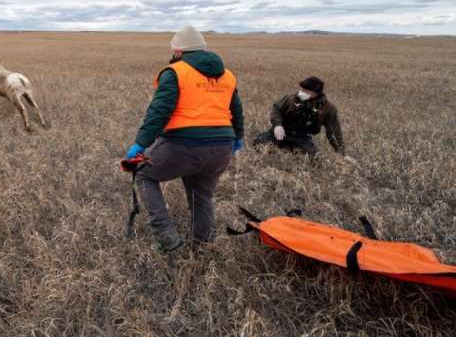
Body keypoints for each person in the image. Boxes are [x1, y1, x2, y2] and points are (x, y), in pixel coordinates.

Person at [125, 25, 244, 253]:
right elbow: (236, 110)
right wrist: (238, 138)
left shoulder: (176, 72)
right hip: (222, 148)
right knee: (202, 195)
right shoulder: (227, 75)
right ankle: (202, 245)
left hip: (183, 145)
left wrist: (141, 143)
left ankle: (167, 236)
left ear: (179, 51)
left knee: (144, 175)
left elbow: (159, 112)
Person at [252, 76, 345, 157]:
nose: (302, 92)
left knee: (313, 157)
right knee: (258, 143)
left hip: (302, 137)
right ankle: (284, 147)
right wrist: (277, 125)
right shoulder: (290, 98)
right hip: (283, 132)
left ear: (316, 93)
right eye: (302, 89)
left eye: (306, 91)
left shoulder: (328, 109)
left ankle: (290, 148)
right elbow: (277, 108)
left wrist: (341, 153)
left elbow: (334, 131)